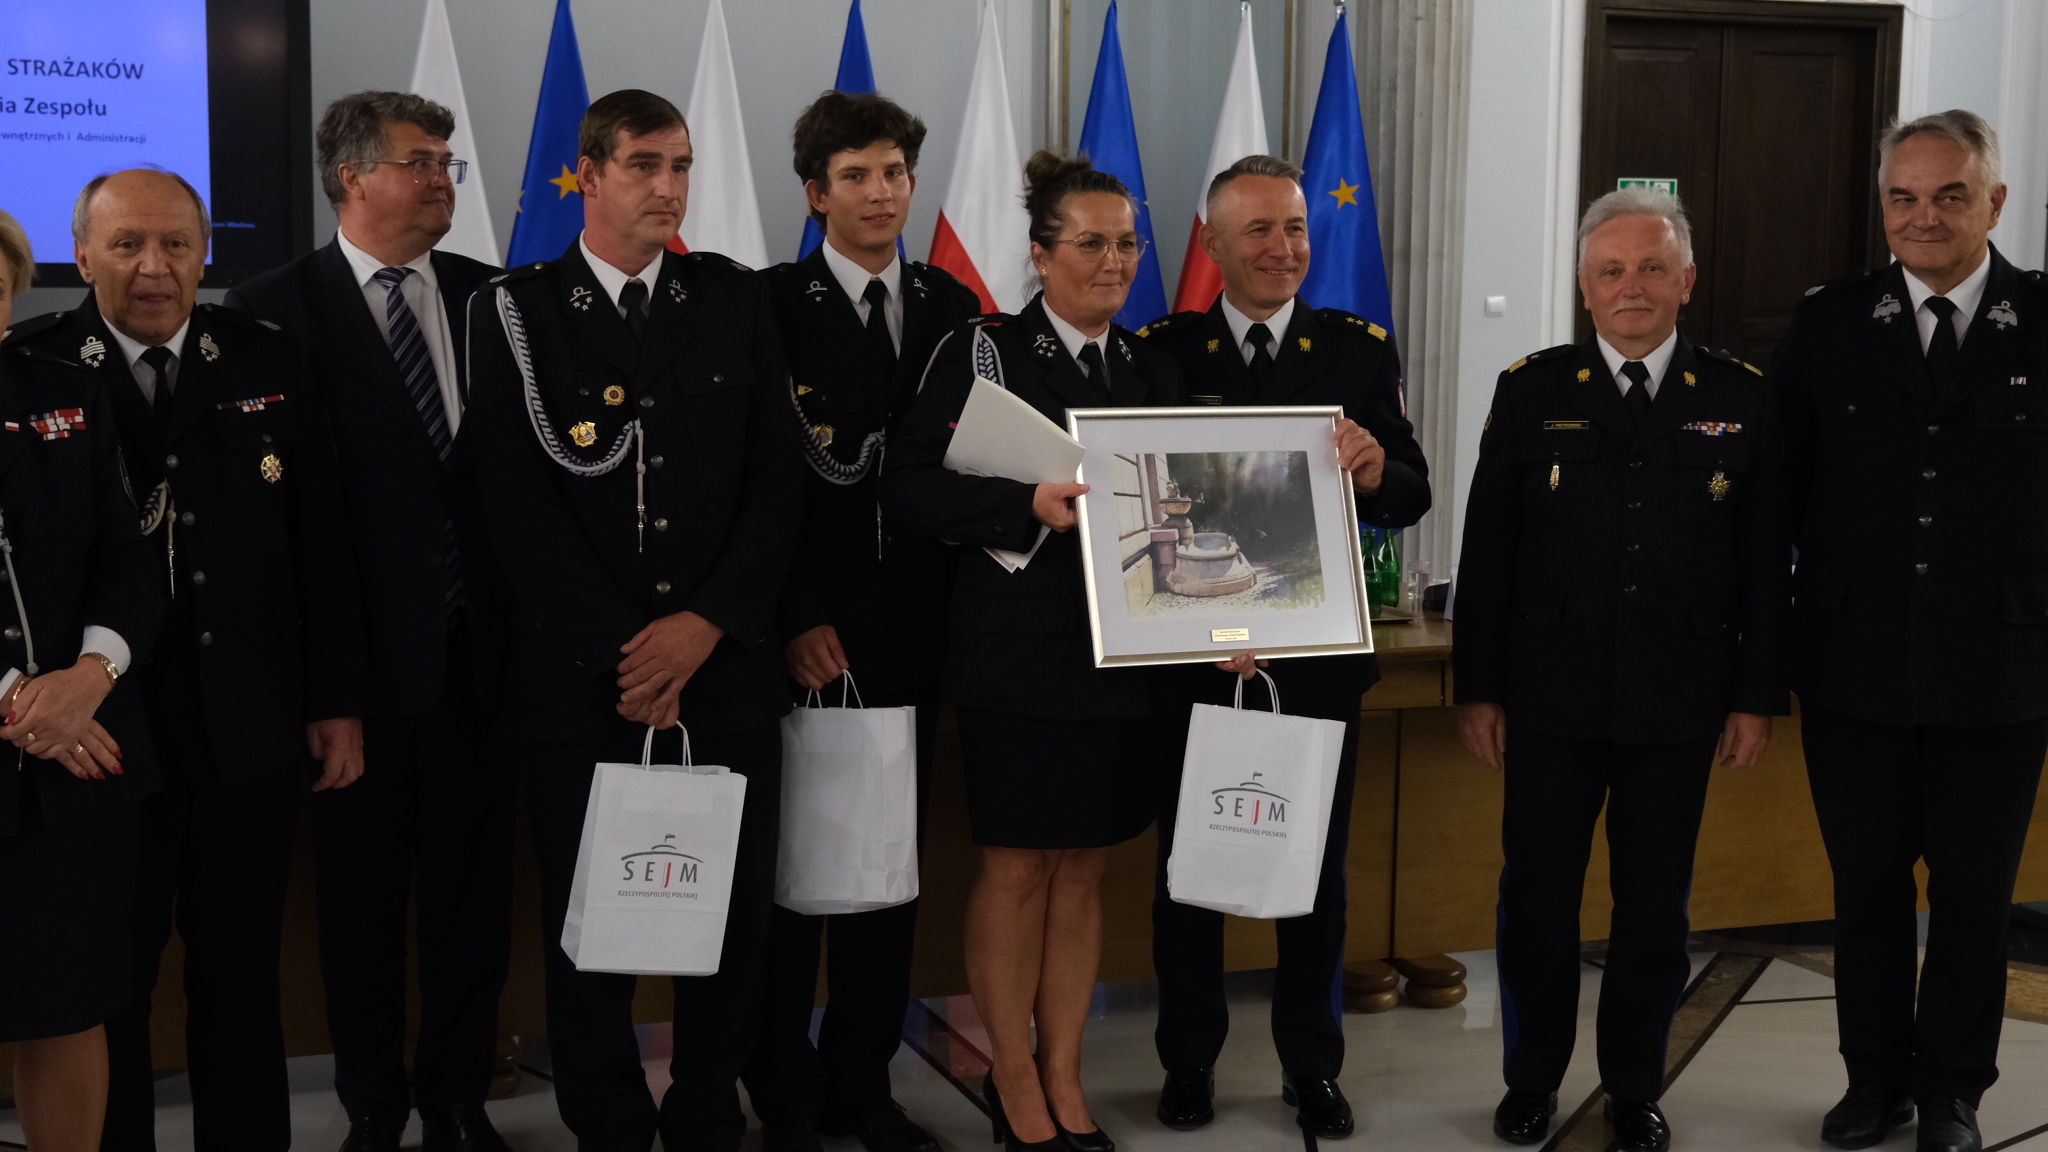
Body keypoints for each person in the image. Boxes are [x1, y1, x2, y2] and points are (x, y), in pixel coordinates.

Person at [467, 88, 801, 1152]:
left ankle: (706, 1115)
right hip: (583, 683)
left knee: (730, 921)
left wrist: (704, 625)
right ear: (589, 174)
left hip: (723, 670)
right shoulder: (516, 312)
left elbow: (777, 482)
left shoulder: (733, 298)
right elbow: (514, 508)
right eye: (645, 165)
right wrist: (632, 654)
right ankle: (607, 1122)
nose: (668, 187)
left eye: (682, 166)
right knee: (592, 929)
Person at [8, 169, 368, 1152]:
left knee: (241, 977)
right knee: (108, 984)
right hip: (98, 741)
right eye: (126, 244)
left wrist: (337, 701)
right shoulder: (37, 370)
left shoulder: (268, 360)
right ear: (82, 254)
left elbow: (322, 549)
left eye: (175, 243)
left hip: (243, 727)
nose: (153, 266)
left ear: (206, 252)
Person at [1453, 187, 1790, 1152]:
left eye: (1651, 268)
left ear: (1688, 280)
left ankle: (1635, 1086)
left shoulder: (1740, 395)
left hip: (1678, 697)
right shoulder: (1532, 389)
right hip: (1548, 696)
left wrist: (1756, 696)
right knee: (1537, 902)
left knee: (1653, 912)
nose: (1631, 286)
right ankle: (1530, 1080)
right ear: (1584, 285)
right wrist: (1478, 687)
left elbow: (1766, 560)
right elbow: (1489, 551)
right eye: (1612, 270)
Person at [227, 91, 514, 1152]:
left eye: (447, 163)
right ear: (351, 178)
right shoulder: (269, 309)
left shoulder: (494, 300)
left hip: (484, 668)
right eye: (420, 162)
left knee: (475, 907)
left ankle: (458, 1102)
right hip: (356, 686)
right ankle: (373, 1108)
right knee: (357, 911)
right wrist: (328, 693)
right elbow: (280, 532)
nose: (442, 179)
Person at [882, 151, 1183, 1152]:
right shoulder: (984, 354)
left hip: (1123, 661)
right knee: (1017, 870)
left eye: (1128, 243)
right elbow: (907, 484)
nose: (1115, 262)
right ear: (1041, 255)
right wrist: (1022, 505)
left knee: (1085, 871)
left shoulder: (1150, 364)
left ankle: (1063, 1073)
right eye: (1091, 243)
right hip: (1017, 660)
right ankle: (1010, 1078)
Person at [1136, 154, 1430, 1140]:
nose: (1282, 247)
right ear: (1211, 243)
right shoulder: (1163, 351)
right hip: (1193, 658)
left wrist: (1375, 466)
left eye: (1295, 227)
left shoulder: (1354, 350)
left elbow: (1412, 490)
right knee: (1187, 869)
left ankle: (1312, 1066)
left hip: (1314, 663)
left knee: (1312, 871)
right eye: (1259, 229)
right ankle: (1188, 1061)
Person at [1774, 110, 2048, 1152]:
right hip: (1855, 666)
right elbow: (1779, 495)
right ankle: (1874, 1082)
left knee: (1975, 900)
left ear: (1994, 202)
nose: (1921, 216)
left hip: (2001, 666)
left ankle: (1951, 1095)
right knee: (1867, 893)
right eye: (1902, 196)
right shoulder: (1829, 324)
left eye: (1947, 195)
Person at [739, 91, 978, 1152]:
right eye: (855, 177)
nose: (880, 194)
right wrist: (793, 613)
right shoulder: (768, 305)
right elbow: (754, 483)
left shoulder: (950, 305)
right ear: (815, 194)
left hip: (917, 634)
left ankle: (862, 1085)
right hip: (806, 638)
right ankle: (783, 1093)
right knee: (796, 883)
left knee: (886, 877)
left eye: (894, 174)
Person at [0, 208, 164, 1152]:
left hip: (78, 755)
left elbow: (130, 563)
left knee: (68, 1003)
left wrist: (91, 676)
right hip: (40, 727)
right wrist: (19, 700)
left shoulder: (67, 394)